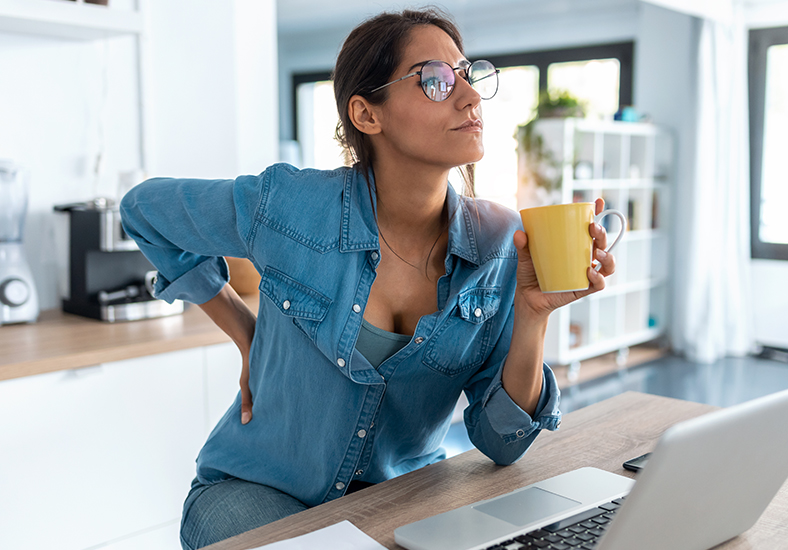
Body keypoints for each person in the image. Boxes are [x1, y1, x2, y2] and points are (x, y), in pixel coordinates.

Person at [120, 7, 616, 550]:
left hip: (402, 497)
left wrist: (532, 316)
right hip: (256, 490)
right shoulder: (289, 205)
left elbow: (502, 444)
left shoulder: (499, 241)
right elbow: (145, 211)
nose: (470, 97)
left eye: (469, 76)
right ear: (367, 114)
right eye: (435, 81)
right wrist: (246, 332)